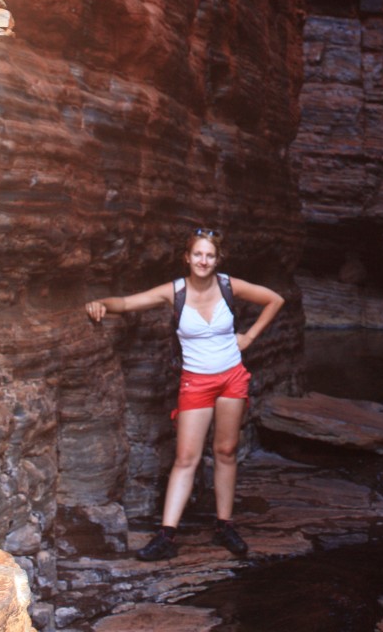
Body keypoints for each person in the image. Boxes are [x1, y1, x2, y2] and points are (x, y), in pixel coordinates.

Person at [85, 228, 284, 561]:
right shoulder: (174, 291)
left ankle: (224, 525)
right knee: (186, 458)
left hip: (232, 377)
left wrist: (249, 337)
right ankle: (167, 535)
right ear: (187, 258)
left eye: (209, 255)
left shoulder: (228, 286)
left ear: (216, 259)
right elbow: (126, 303)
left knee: (226, 450)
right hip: (196, 381)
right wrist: (100, 303)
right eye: (197, 255)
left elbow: (275, 299)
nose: (203, 261)